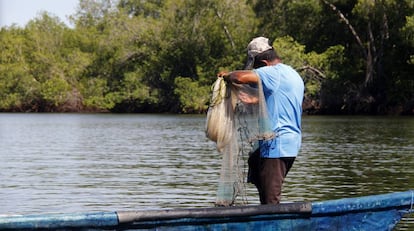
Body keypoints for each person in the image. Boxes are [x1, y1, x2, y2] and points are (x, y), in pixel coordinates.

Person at [217, 36, 304, 204]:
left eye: (256, 68)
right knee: (255, 163)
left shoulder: (272, 72)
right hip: (289, 143)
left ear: (263, 63)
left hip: (276, 145)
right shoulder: (290, 73)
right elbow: (262, 98)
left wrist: (227, 76)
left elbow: (240, 78)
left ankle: (270, 221)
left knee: (270, 200)